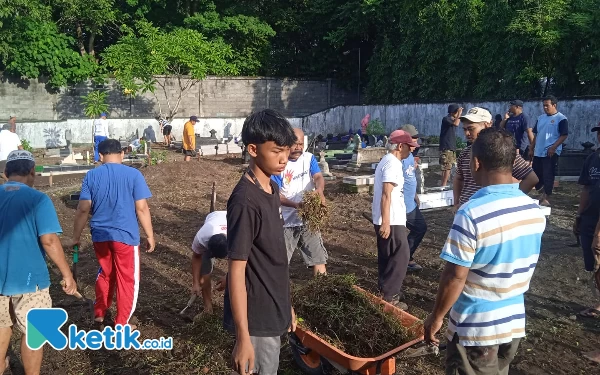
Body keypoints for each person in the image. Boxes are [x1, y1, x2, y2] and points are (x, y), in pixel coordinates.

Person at [424, 128, 547, 375]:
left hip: (476, 329)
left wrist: (436, 317)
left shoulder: (471, 213)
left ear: (476, 163)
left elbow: (455, 277)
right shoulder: (533, 210)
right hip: (512, 323)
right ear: (512, 162)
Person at [224, 109, 297, 375]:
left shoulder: (272, 188)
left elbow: (272, 258)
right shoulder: (245, 201)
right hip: (256, 318)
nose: (284, 159)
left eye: (287, 151)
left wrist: (285, 303)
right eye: (276, 151)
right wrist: (243, 338)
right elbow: (236, 271)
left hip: (273, 305)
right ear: (253, 149)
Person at [0, 150, 77, 374]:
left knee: (2, 327)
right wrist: (67, 274)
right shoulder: (38, 199)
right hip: (31, 280)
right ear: (32, 172)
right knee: (34, 333)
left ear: (6, 173)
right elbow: (50, 240)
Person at [72, 139, 155, 328]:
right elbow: (141, 208)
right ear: (123, 154)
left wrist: (75, 237)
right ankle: (122, 322)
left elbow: (83, 209)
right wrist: (149, 235)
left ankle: (100, 313)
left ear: (100, 156)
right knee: (128, 279)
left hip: (100, 235)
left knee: (105, 272)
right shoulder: (134, 175)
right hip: (125, 236)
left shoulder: (91, 176)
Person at [453, 107, 538, 210]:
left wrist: (511, 199)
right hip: (466, 210)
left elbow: (531, 178)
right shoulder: (465, 153)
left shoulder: (501, 151)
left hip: (492, 210)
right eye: (465, 129)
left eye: (471, 129)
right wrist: (456, 203)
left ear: (487, 125)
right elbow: (458, 178)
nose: (467, 133)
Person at [372, 129, 419, 309]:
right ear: (400, 146)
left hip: (390, 218)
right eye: (409, 146)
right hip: (391, 219)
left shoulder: (388, 161)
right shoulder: (392, 163)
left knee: (388, 256)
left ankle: (384, 290)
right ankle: (390, 297)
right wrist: (386, 222)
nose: (411, 150)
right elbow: (386, 194)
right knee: (401, 255)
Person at [272, 128, 328, 276]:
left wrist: (319, 191)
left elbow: (318, 177)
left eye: (301, 144)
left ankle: (322, 289)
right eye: (294, 144)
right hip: (286, 222)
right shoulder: (279, 164)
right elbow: (275, 195)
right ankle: (280, 294)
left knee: (318, 258)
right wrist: (296, 205)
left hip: (308, 220)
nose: (298, 148)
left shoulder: (308, 158)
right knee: (280, 263)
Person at [574, 123, 600, 319]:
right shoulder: (592, 159)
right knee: (593, 262)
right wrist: (579, 216)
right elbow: (585, 189)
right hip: (590, 217)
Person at [529, 96, 569, 206]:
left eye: (547, 105)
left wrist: (554, 147)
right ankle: (541, 193)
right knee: (537, 174)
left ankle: (547, 196)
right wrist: (531, 147)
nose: (545, 107)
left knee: (548, 174)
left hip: (550, 152)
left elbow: (564, 135)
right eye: (544, 105)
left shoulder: (561, 118)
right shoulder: (541, 118)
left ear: (554, 105)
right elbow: (537, 134)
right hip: (538, 151)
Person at [399, 124, 427, 272]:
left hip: (410, 202)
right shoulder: (398, 158)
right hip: (402, 204)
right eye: (413, 141)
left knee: (419, 228)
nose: (415, 144)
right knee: (419, 228)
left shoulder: (409, 155)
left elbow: (409, 177)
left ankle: (406, 257)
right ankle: (404, 259)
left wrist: (415, 194)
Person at [191, 210, 228, 313]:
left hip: (228, 221)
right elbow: (196, 257)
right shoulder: (202, 237)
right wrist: (196, 283)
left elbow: (243, 264)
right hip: (214, 217)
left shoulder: (238, 238)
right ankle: (208, 308)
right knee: (205, 272)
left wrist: (227, 277)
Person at [440, 104, 463, 187]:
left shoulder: (452, 119)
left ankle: (444, 184)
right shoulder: (446, 119)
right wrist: (459, 114)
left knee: (448, 166)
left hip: (451, 146)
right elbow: (456, 124)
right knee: (447, 167)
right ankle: (443, 185)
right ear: (454, 112)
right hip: (446, 146)